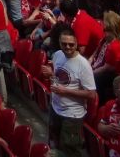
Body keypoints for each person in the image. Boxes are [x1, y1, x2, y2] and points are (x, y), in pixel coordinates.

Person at [44, 26, 98, 157]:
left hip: (72, 115)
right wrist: (51, 74)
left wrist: (65, 91)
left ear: (77, 43)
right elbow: (59, 79)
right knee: (54, 144)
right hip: (55, 108)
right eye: (64, 44)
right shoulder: (57, 55)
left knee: (70, 150)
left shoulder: (83, 65)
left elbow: (92, 95)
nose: (67, 47)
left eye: (71, 44)